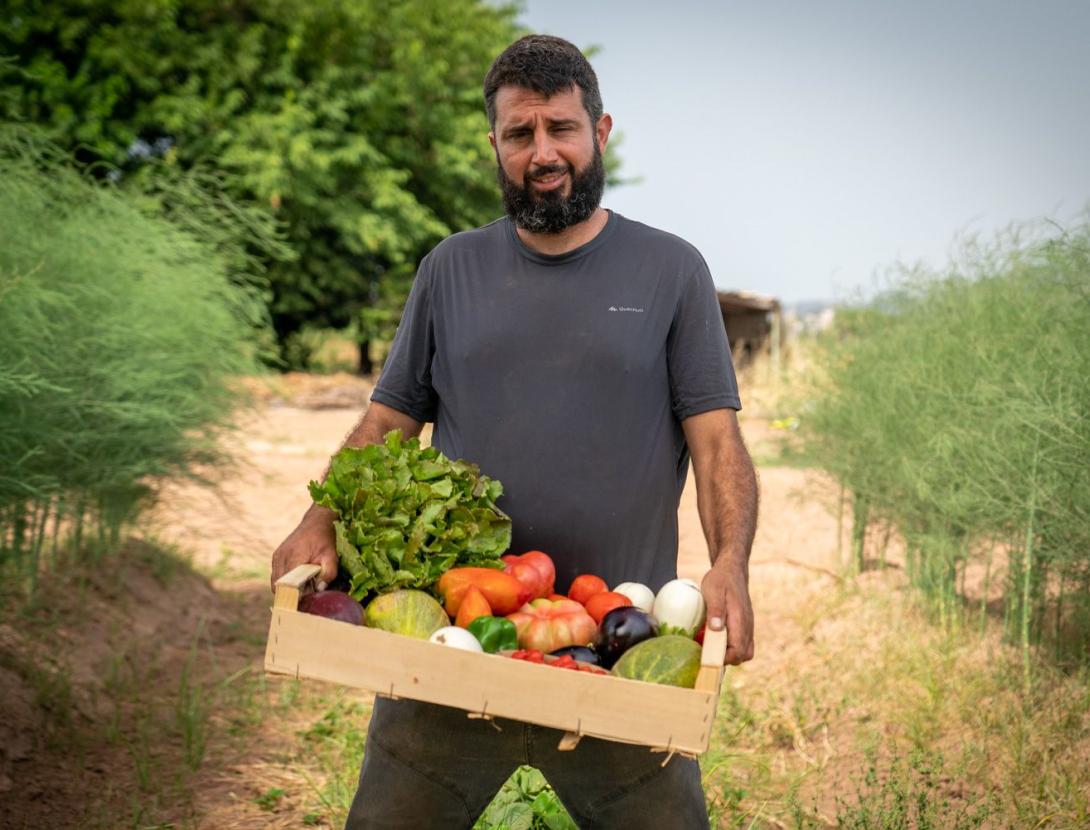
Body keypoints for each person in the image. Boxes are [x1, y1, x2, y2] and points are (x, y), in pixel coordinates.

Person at [270, 34, 758, 830]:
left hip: (619, 648)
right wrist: (317, 516)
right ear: (492, 144)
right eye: (520, 134)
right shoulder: (449, 269)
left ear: (599, 133)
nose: (543, 153)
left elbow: (716, 445)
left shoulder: (672, 271)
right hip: (454, 642)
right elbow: (389, 419)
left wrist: (731, 562)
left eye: (561, 129)